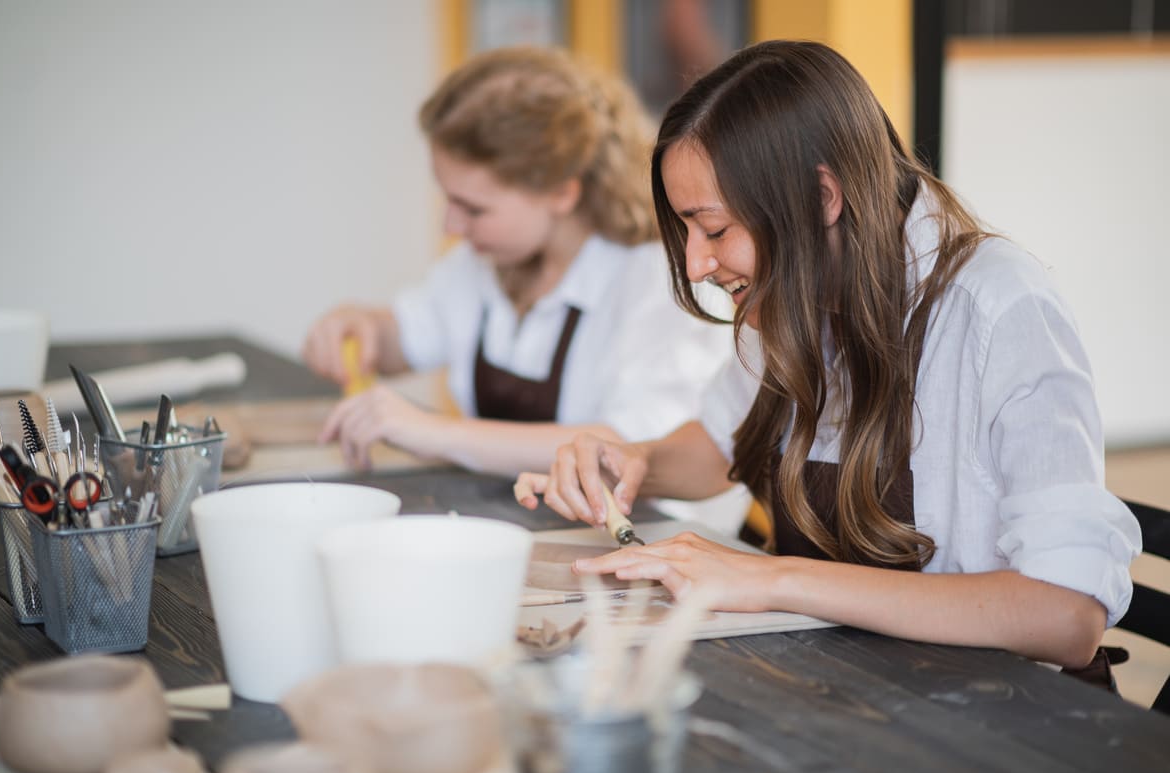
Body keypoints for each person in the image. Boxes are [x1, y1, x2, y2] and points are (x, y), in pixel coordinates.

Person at [514, 40, 1140, 671]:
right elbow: (714, 448)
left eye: (716, 229)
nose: (697, 264)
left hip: (999, 724)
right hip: (847, 684)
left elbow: (1066, 614)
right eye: (687, 233)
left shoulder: (999, 307)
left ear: (820, 200)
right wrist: (630, 461)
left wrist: (772, 579)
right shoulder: (796, 292)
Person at [302, 47, 746, 529]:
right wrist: (361, 326)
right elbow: (404, 337)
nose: (452, 224)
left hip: (652, 535)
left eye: (473, 208)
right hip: (526, 521)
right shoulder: (483, 261)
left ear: (562, 192)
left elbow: (619, 448)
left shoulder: (660, 282)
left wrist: (433, 432)